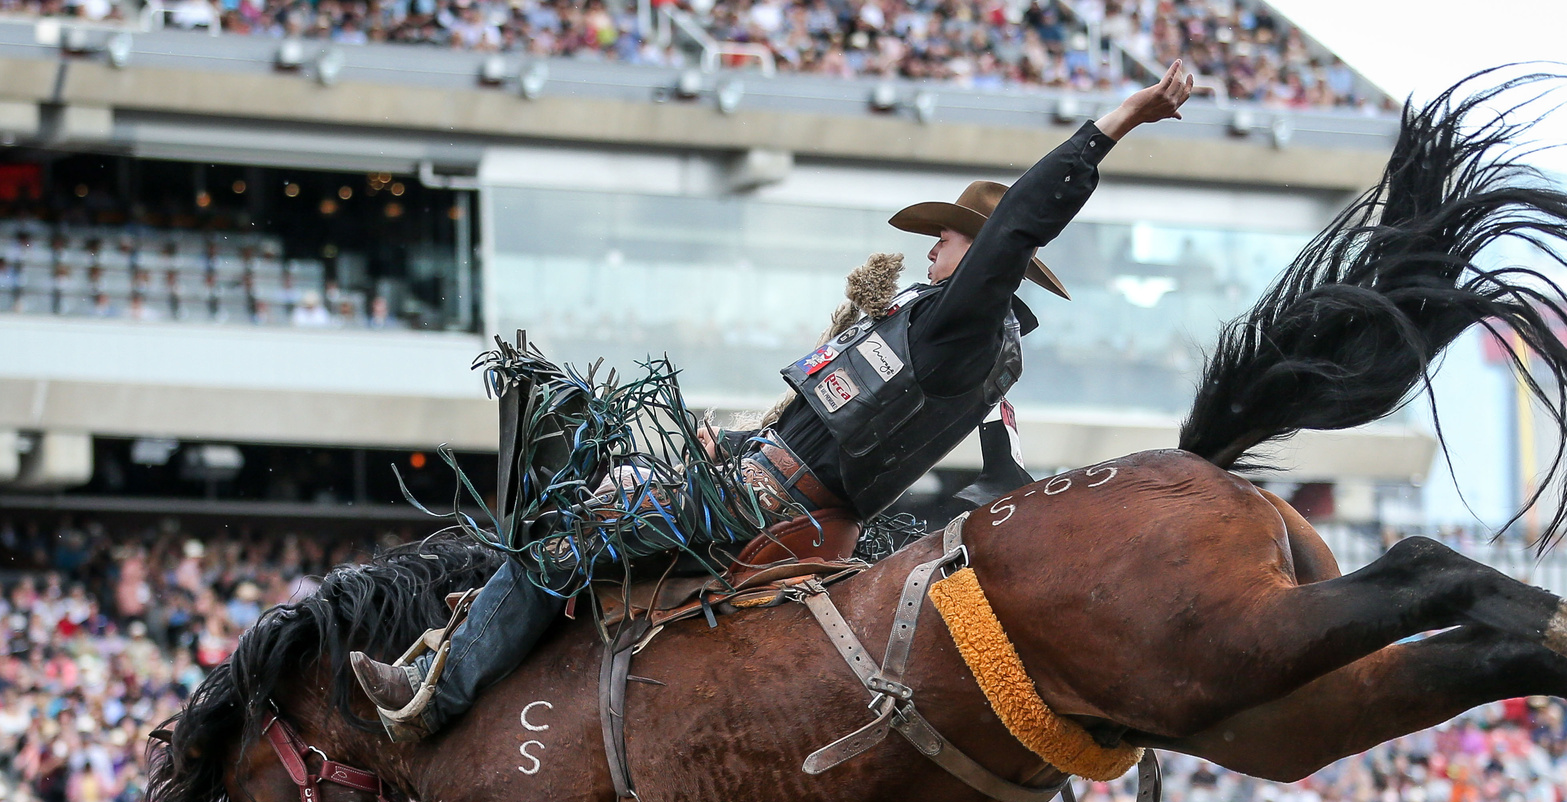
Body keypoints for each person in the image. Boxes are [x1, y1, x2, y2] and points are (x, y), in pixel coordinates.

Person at [351, 60, 1196, 742]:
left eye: (945, 235)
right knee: (600, 488)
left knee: (558, 536)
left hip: (770, 502)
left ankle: (437, 699)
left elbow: (1020, 220)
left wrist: (1116, 120)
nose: (932, 245)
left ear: (975, 253)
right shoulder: (953, 337)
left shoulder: (962, 322)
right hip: (774, 481)